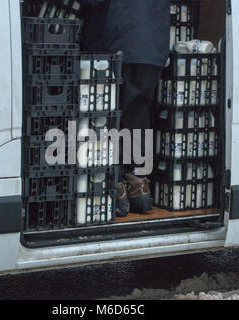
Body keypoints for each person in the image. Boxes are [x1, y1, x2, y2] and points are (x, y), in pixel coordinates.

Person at [79, 0, 171, 215]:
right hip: (152, 46)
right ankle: (139, 185)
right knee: (138, 112)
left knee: (105, 115)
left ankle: (113, 184)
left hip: (116, 40)